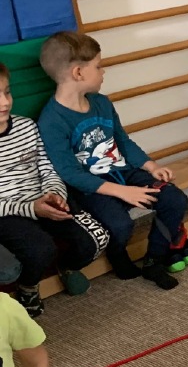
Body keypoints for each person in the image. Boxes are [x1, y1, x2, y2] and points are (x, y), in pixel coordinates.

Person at [37, 32, 188, 290]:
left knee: (174, 198)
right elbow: (70, 173)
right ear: (78, 73)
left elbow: (123, 141)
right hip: (90, 187)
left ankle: (154, 260)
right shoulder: (52, 120)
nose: (103, 71)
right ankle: (118, 255)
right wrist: (121, 192)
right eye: (98, 66)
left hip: (124, 173)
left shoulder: (102, 103)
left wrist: (151, 166)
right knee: (120, 225)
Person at [0, 62, 109, 317]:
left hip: (44, 198)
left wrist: (55, 194)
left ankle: (67, 267)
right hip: (8, 212)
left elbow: (48, 168)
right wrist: (31, 208)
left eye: (7, 92)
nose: (4, 102)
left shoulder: (27, 126)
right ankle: (28, 287)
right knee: (41, 249)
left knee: (97, 239)